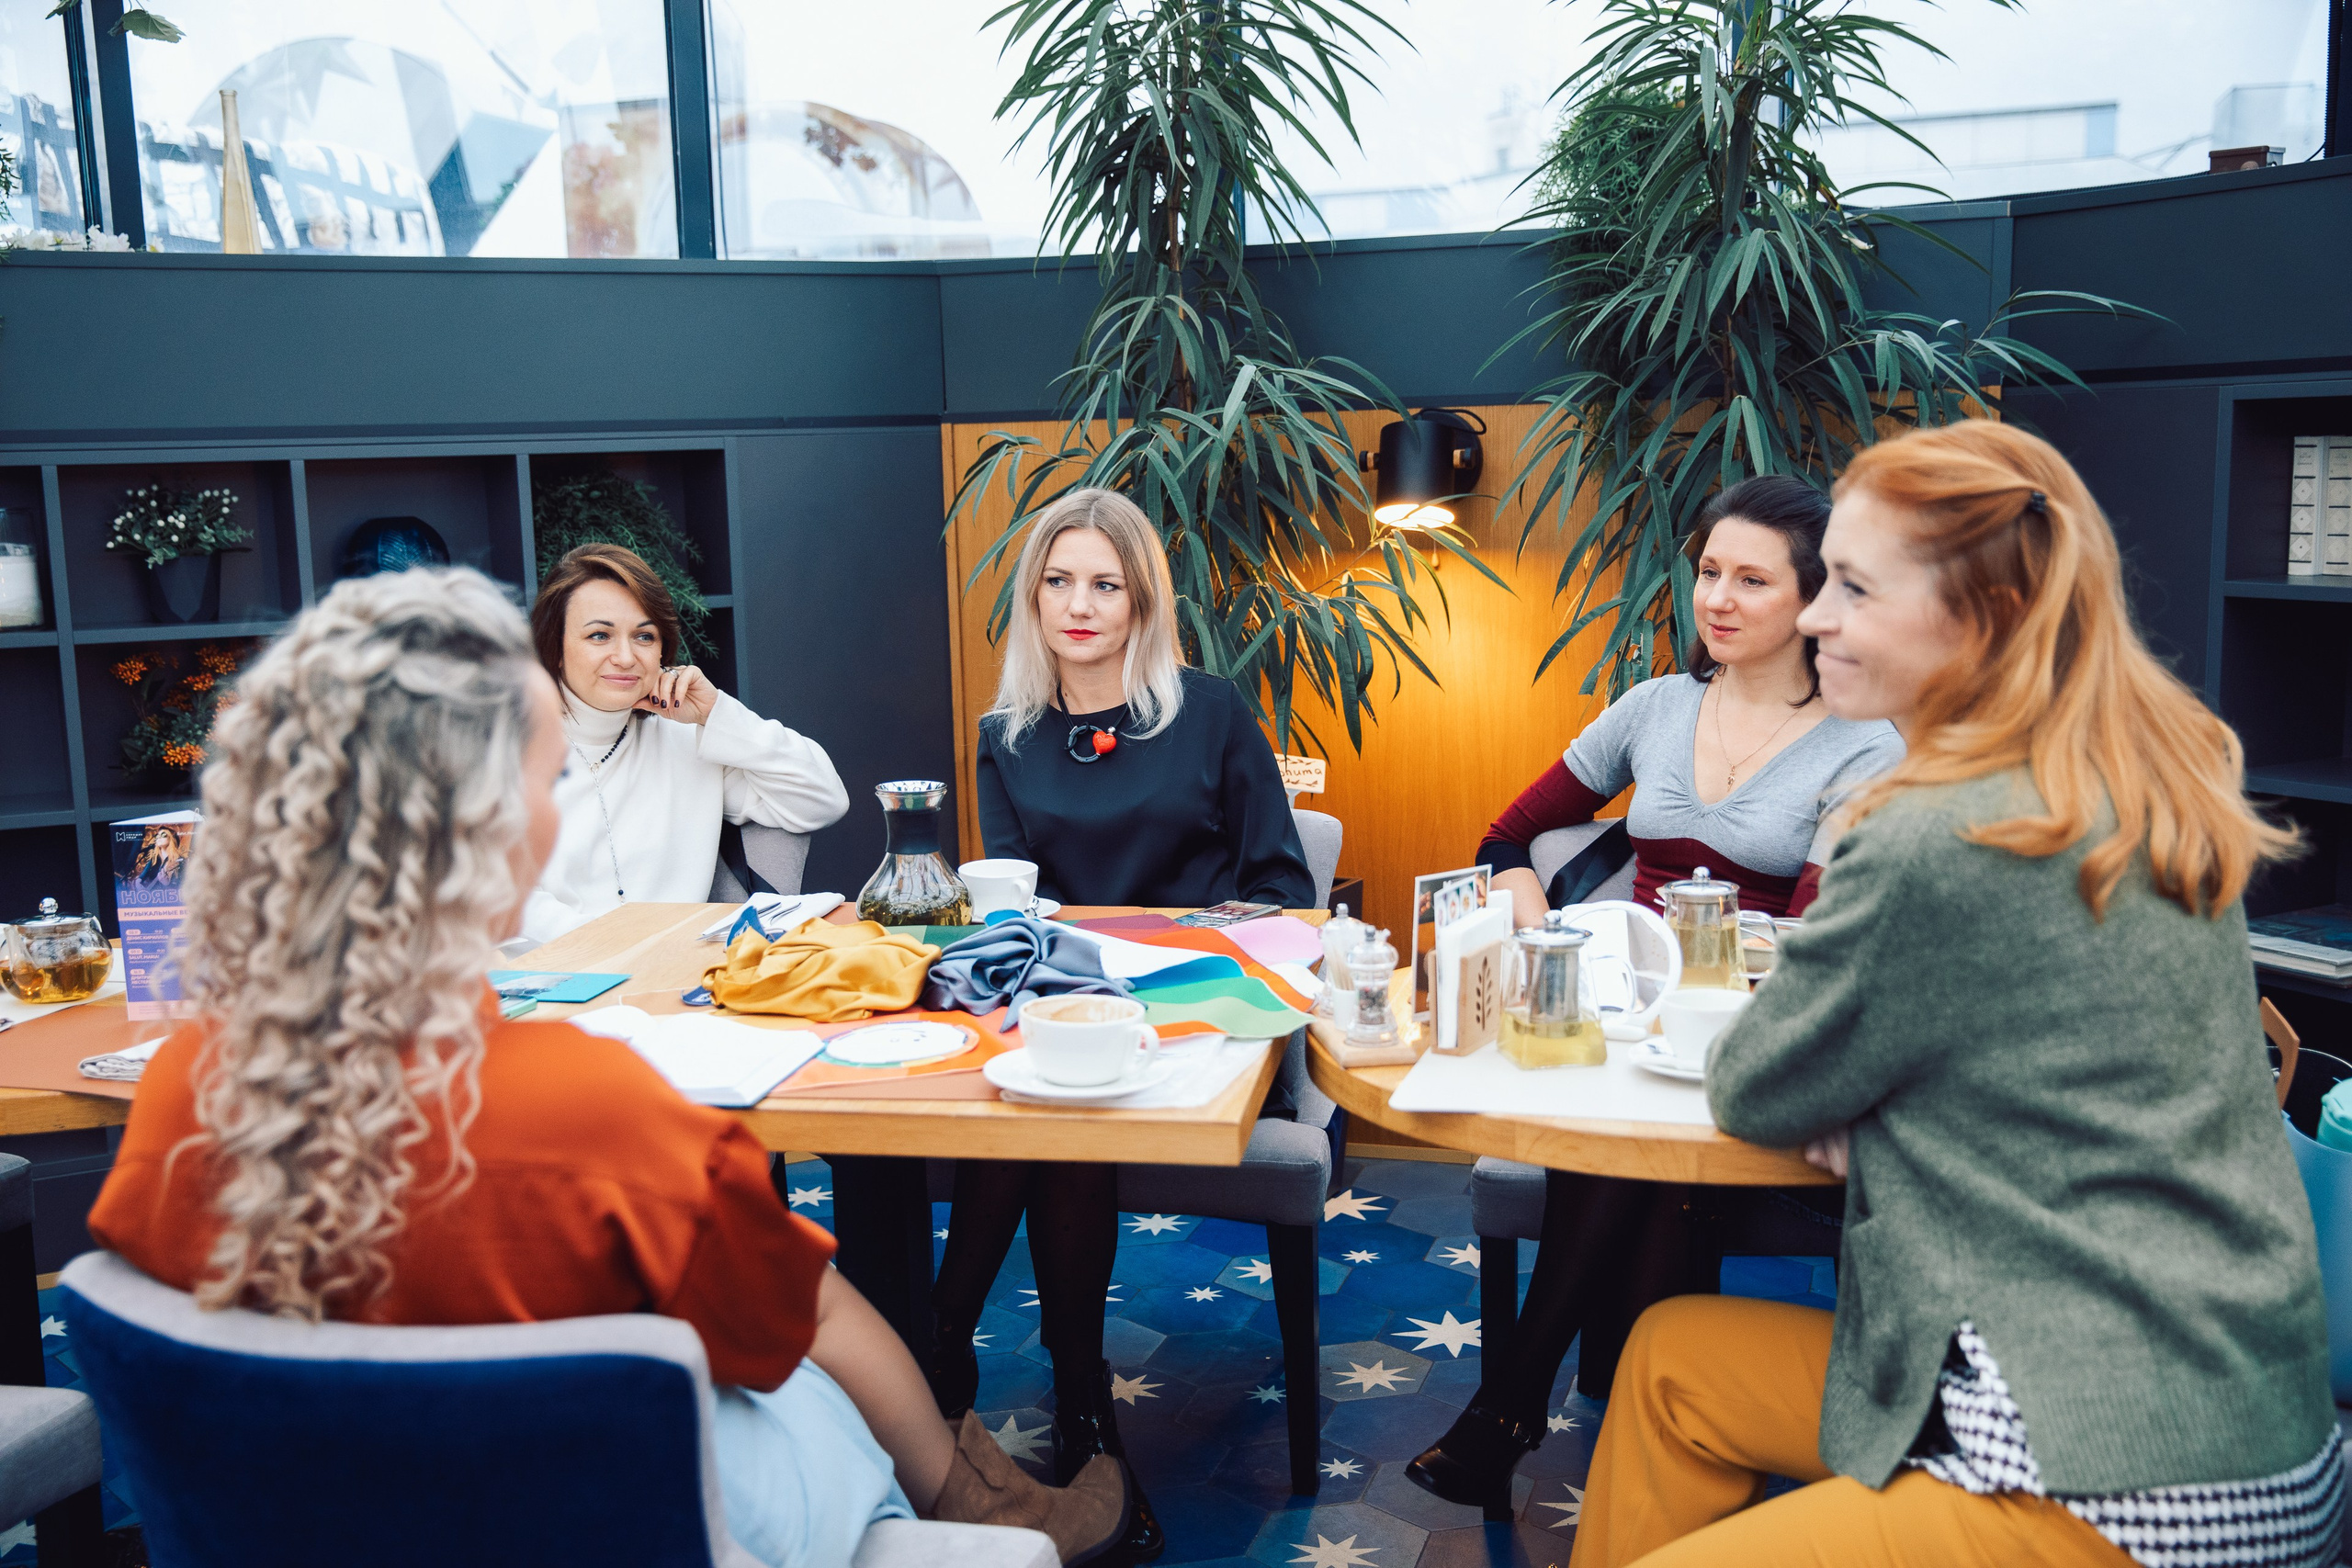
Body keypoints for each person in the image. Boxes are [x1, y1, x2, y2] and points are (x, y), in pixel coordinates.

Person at [85, 568, 1131, 1568]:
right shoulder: (595, 1113)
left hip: (299, 1523)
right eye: (542, 782)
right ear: (484, 826)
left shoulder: (178, 1088)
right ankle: (974, 1503)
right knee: (814, 1353)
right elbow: (793, 1321)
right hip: (604, 1524)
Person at [1569, 420, 2343, 1568]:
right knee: (1675, 1360)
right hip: (2254, 1424)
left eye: (1852, 589)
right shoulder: (2130, 792)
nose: (1817, 616)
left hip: (2110, 1471)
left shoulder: (1933, 831)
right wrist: (1891, 1103)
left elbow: (1754, 1085)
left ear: (1975, 619)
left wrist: (1864, 1106)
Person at [1408, 476, 1903, 1511]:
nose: (1716, 598)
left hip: (1757, 1041)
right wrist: (1531, 906)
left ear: (1813, 601)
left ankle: (1518, 1407)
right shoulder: (1654, 707)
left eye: (1751, 579)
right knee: (1630, 1156)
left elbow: (1815, 936)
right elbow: (1507, 833)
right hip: (1623, 1027)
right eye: (1708, 572)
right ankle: (1632, 1426)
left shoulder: (1864, 741)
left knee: (1632, 1167)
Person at [933, 488, 1314, 1562]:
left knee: (1053, 1104)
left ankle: (949, 1351)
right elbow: (1010, 909)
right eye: (1058, 582)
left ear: (1143, 599)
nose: (1079, 604)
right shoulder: (1003, 733)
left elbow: (1283, 892)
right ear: (1032, 597)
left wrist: (1166, 955)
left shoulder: (1208, 711)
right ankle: (1077, 1397)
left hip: (1201, 1014)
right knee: (1052, 1096)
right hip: (1064, 1016)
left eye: (1105, 583)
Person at [520, 544, 848, 945]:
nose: (625, 656)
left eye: (643, 636)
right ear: (555, 648)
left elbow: (823, 799)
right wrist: (614, 951)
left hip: (678, 983)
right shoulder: (506, 750)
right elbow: (502, 898)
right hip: (549, 980)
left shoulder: (688, 741)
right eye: (600, 635)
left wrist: (718, 714)